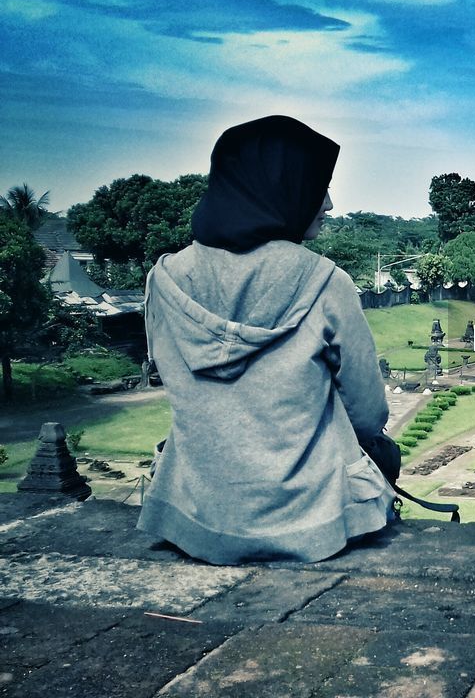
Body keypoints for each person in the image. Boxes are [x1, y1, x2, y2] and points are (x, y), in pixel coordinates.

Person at [138, 115, 395, 565]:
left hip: (197, 517)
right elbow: (368, 415)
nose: (329, 204)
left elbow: (167, 374)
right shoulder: (323, 282)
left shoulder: (163, 280)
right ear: (281, 187)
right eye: (319, 184)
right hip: (314, 522)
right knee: (384, 452)